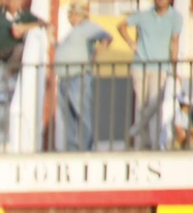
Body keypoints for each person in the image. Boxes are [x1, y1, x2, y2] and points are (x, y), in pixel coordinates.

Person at [118, 0, 182, 150]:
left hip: (161, 67)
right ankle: (142, 144)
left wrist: (174, 68)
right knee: (141, 105)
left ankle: (139, 134)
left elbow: (174, 43)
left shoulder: (176, 18)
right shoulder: (144, 15)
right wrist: (131, 43)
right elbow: (121, 25)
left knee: (155, 104)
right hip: (140, 65)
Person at [56, 2, 111, 151]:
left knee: (82, 113)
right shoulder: (72, 31)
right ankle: (72, 149)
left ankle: (86, 147)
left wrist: (98, 51)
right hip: (64, 78)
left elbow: (106, 37)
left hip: (78, 77)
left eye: (72, 14)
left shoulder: (88, 27)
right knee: (68, 116)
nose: (69, 17)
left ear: (79, 15)